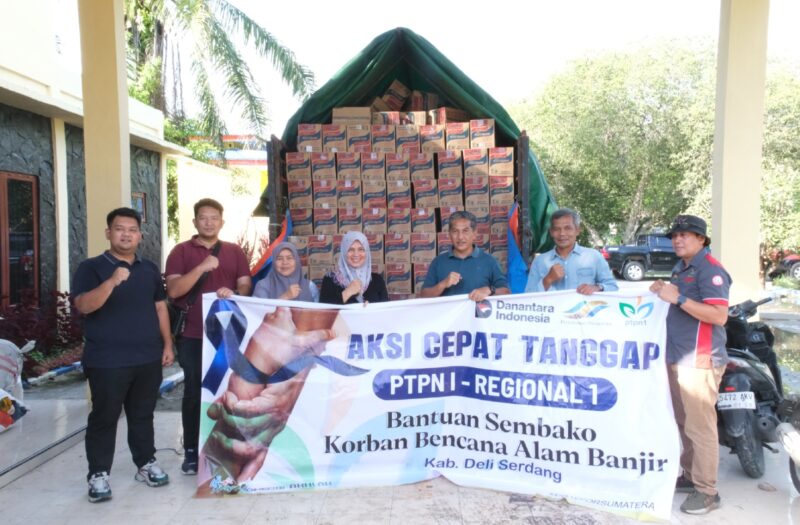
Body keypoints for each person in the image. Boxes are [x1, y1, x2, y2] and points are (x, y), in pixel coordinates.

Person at [72, 207, 174, 503]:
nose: (126, 235)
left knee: (142, 414)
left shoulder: (149, 269)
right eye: (119, 229)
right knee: (104, 417)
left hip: (147, 357)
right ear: (109, 233)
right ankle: (98, 474)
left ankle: (145, 463)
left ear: (140, 235)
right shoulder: (91, 268)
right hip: (107, 360)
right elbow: (84, 306)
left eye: (132, 230)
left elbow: (160, 307)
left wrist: (167, 345)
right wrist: (112, 281)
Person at [650, 214, 731, 515]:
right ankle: (690, 475)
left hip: (700, 358)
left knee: (701, 427)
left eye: (685, 234)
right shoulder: (681, 267)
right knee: (684, 421)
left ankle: (708, 492)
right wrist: (664, 291)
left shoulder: (710, 270)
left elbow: (719, 316)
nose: (677, 239)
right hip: (678, 355)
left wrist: (679, 299)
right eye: (674, 235)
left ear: (701, 239)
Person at [165, 198, 252, 475]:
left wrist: (235, 293)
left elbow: (245, 285)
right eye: (203, 217)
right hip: (192, 335)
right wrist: (202, 267)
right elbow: (174, 290)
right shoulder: (180, 252)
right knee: (194, 392)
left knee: (228, 391)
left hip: (228, 336)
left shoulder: (234, 252)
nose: (209, 222)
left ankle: (226, 449)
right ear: (195, 222)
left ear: (222, 222)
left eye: (214, 218)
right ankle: (192, 451)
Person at [420, 210, 509, 301]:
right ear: (449, 234)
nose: (460, 237)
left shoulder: (489, 261)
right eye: (455, 231)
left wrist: (489, 290)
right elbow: (423, 296)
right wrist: (443, 284)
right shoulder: (438, 262)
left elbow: (506, 292)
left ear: (474, 234)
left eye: (465, 231)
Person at [525, 208, 618, 294]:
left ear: (577, 230)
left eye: (567, 228)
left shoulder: (594, 256)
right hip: (552, 307)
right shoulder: (540, 261)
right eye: (556, 229)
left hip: (584, 307)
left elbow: (612, 287)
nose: (562, 233)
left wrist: (597, 288)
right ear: (551, 232)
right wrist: (548, 279)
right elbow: (528, 296)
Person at [319, 231, 388, 304]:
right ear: (344, 252)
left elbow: (386, 309)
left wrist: (371, 308)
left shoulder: (377, 280)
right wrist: (348, 292)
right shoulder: (330, 280)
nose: (356, 254)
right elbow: (324, 309)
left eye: (361, 249)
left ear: (366, 252)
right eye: (350, 249)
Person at [252, 242, 318, 302]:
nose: (285, 262)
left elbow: (319, 310)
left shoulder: (310, 287)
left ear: (297, 261)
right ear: (274, 262)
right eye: (279, 259)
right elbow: (256, 310)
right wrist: (285, 296)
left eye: (289, 258)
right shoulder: (263, 285)